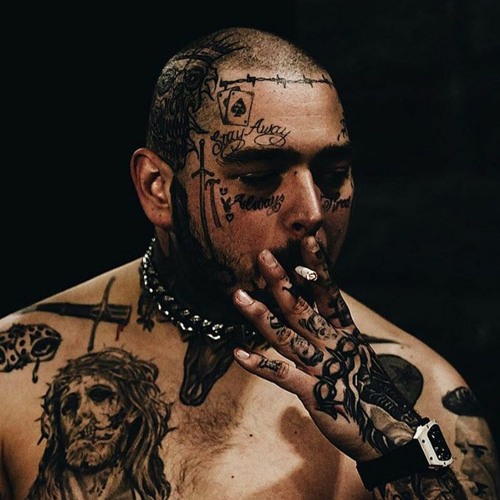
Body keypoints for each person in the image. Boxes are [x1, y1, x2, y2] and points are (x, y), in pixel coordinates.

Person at [0, 26, 498, 500]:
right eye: (260, 177)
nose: (312, 211)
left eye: (333, 174)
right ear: (157, 188)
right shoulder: (14, 377)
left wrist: (397, 458)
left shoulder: (421, 393)